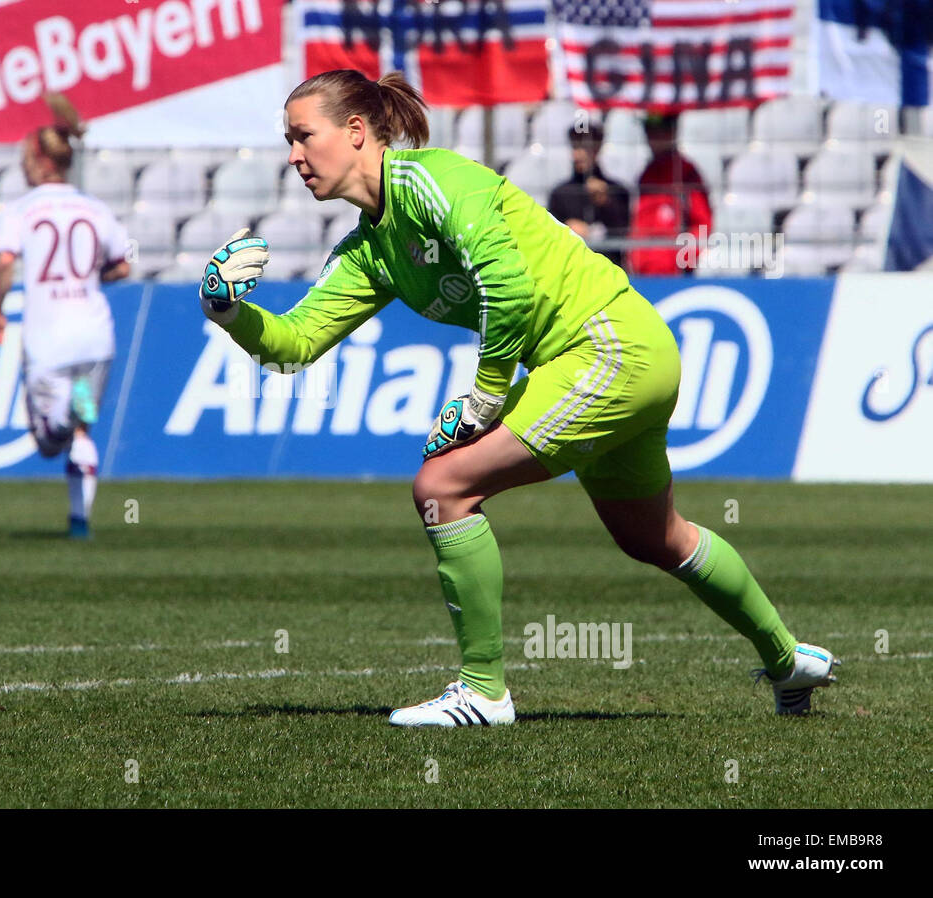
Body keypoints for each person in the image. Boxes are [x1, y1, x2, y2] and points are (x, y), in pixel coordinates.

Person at [199, 69, 837, 725]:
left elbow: (506, 285)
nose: (294, 156)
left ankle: (483, 692)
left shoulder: (432, 181)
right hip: (610, 356)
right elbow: (294, 344)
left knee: (442, 488)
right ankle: (790, 662)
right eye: (288, 140)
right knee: (655, 537)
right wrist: (227, 312)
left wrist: (485, 398)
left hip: (607, 348)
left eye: (304, 136)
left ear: (357, 131)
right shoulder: (367, 251)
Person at [0, 94, 130, 538]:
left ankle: (63, 418)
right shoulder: (95, 208)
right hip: (95, 337)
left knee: (50, 442)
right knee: (84, 430)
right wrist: (87, 277)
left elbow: (7, 261)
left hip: (50, 339)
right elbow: (122, 264)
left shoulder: (23, 210)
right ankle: (80, 521)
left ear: (39, 158)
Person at [628, 112, 713, 276]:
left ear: (671, 132)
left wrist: (683, 261)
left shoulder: (686, 172)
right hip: (641, 273)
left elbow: (702, 224)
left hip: (674, 276)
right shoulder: (646, 174)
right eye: (648, 130)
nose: (650, 137)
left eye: (657, 130)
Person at [547, 121, 631, 268]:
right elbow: (549, 237)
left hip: (610, 271)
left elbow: (625, 233)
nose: (578, 154)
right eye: (575, 146)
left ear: (597, 148)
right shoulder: (559, 193)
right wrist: (566, 228)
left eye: (584, 147)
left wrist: (606, 203)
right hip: (572, 270)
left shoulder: (618, 190)